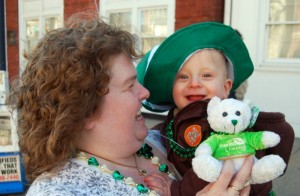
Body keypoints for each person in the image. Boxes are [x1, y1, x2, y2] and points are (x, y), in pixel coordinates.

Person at [6, 13, 253, 196]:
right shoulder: (60, 191)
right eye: (130, 85)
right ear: (85, 110)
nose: (145, 92)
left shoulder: (168, 141)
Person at [137, 22, 295, 196]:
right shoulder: (172, 122)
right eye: (183, 76)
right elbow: (167, 136)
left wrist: (176, 190)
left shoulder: (226, 121)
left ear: (226, 88)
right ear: (171, 88)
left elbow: (213, 169)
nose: (194, 83)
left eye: (206, 75)